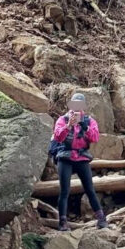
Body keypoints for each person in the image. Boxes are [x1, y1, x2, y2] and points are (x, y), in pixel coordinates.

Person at [52, 92, 107, 232]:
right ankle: (62, 222)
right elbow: (58, 137)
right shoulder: (63, 119)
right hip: (65, 157)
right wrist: (68, 126)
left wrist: (85, 126)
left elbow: (95, 138)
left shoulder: (89, 121)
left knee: (90, 189)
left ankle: (101, 219)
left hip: (82, 157)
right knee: (64, 191)